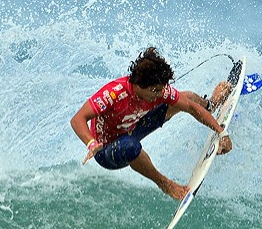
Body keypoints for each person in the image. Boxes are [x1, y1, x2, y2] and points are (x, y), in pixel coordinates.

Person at [70, 47, 239, 200]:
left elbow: (190, 107)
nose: (160, 94)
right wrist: (90, 143)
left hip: (133, 128)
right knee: (130, 146)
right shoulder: (113, 94)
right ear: (139, 85)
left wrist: (220, 132)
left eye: (162, 89)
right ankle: (165, 184)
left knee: (185, 97)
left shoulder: (158, 91)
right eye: (156, 90)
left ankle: (212, 104)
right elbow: (77, 119)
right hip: (107, 150)